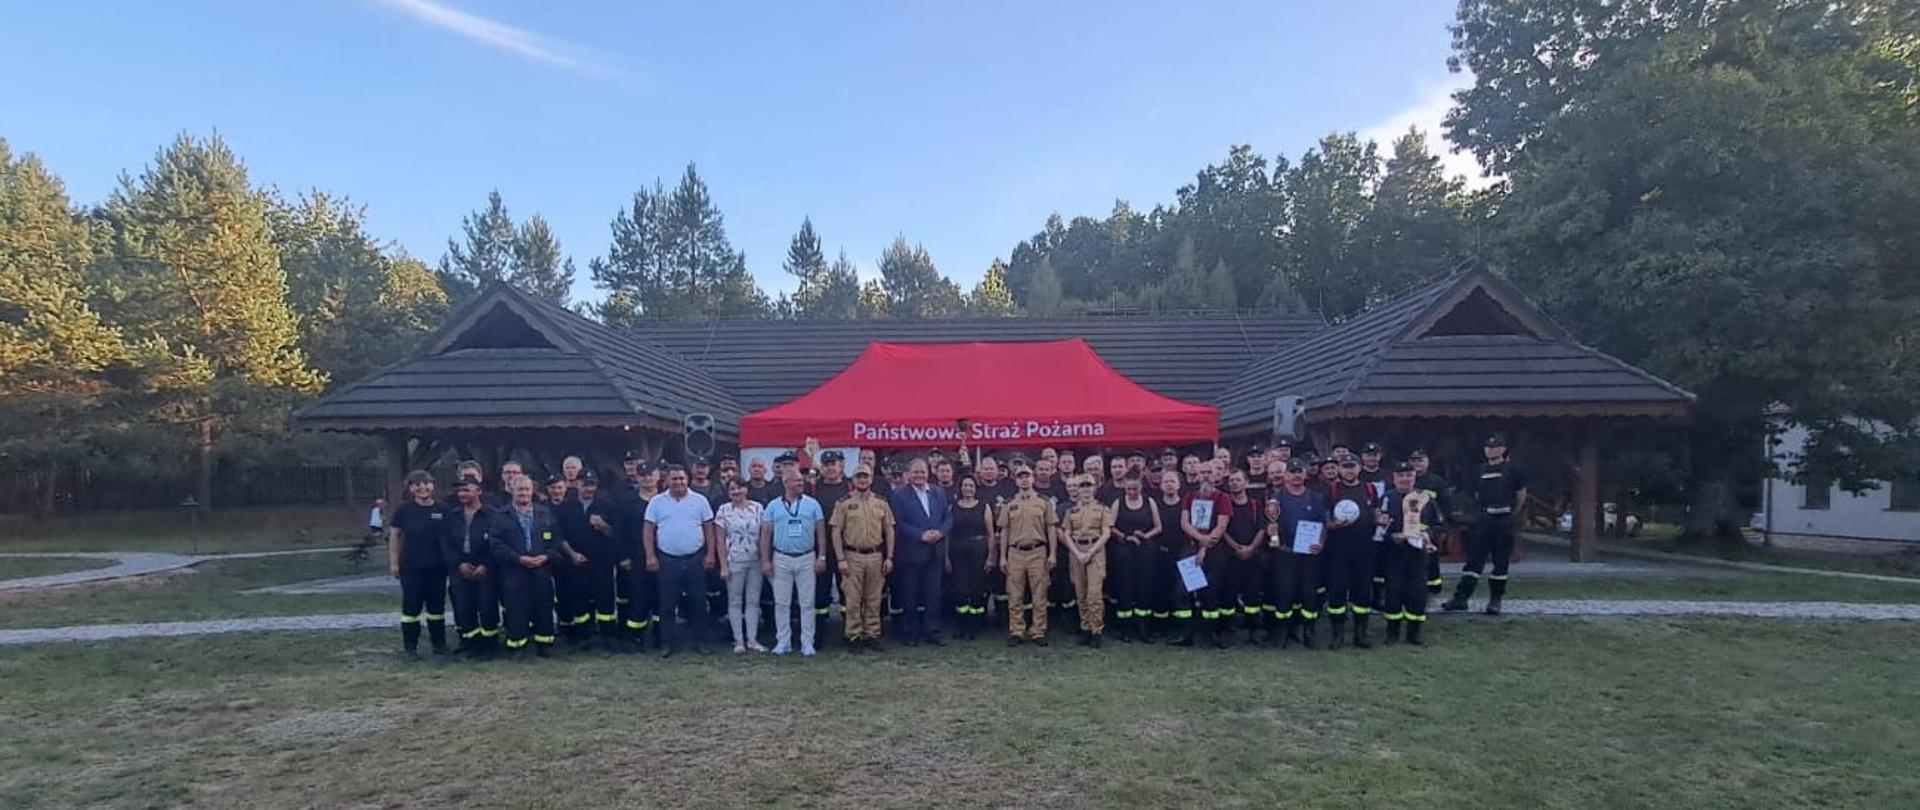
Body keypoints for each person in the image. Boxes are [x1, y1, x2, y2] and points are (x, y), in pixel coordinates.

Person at [1443, 434, 1529, 615]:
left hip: (1503, 520)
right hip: (1483, 520)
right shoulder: (1479, 470)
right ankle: (1461, 599)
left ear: (1503, 449)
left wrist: (1513, 513)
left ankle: (1495, 601)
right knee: (1473, 562)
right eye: (1488, 447)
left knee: (1500, 563)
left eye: (1495, 447)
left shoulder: (1514, 469)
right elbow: (1472, 495)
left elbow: (1521, 494)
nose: (1491, 450)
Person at [643, 465, 717, 658]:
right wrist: (650, 556)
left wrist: (710, 554)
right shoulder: (656, 502)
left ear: (688, 479)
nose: (678, 482)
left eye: (681, 479)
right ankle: (667, 644)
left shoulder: (700, 501)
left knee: (698, 603)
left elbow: (709, 528)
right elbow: (648, 530)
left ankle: (701, 642)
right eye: (674, 479)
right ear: (666, 480)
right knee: (667, 605)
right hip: (667, 561)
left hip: (695, 559)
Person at [760, 470, 827, 656]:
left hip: (806, 557)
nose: (801, 483)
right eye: (796, 481)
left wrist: (822, 556)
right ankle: (783, 641)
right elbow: (765, 534)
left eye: (801, 480)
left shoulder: (812, 504)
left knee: (807, 603)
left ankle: (807, 642)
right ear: (786, 482)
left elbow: (820, 532)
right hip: (781, 557)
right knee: (782, 602)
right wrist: (765, 560)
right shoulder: (773, 506)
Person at [830, 465, 896, 651]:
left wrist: (889, 556)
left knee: (874, 599)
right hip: (853, 556)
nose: (862, 480)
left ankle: (871, 634)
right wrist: (840, 558)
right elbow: (836, 532)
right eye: (859, 477)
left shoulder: (881, 503)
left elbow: (889, 530)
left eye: (865, 477)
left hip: (876, 556)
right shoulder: (843, 503)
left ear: (871, 479)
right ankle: (853, 635)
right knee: (853, 600)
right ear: (853, 480)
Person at [494, 476, 560, 658]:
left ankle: (545, 644)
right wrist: (518, 558)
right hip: (514, 570)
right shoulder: (501, 515)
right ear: (511, 491)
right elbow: (496, 543)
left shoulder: (545, 513)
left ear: (533, 491)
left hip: (541, 569)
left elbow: (556, 539)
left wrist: (546, 556)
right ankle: (517, 646)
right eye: (519, 489)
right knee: (516, 609)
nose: (523, 493)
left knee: (544, 607)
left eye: (526, 489)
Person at [889, 458, 951, 647]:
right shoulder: (899, 495)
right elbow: (899, 522)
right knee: (910, 595)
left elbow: (947, 517)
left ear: (928, 472)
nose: (919, 475)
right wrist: (921, 535)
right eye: (915, 472)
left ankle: (932, 631)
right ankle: (910, 633)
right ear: (909, 474)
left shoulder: (938, 492)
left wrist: (940, 531)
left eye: (922, 472)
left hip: (934, 553)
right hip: (911, 553)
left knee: (933, 595)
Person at [1266, 459, 1328, 649]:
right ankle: (1282, 632)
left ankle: (1309, 631)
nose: (1296, 475)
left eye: (1299, 471)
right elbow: (1269, 523)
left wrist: (1321, 543)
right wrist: (1272, 533)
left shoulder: (1315, 498)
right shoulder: (1276, 498)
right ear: (1286, 475)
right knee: (1284, 593)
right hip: (1284, 553)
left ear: (1305, 474)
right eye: (1292, 472)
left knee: (1308, 593)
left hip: (1309, 554)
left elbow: (1323, 524)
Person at [388, 470, 450, 658]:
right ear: (411, 488)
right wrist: (393, 563)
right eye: (417, 484)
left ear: (433, 485)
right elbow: (394, 536)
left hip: (438, 568)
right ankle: (410, 648)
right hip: (411, 568)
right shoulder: (403, 511)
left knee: (436, 609)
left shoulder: (443, 509)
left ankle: (439, 646)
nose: (422, 488)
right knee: (411, 609)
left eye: (426, 483)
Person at [559, 472, 623, 651]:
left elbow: (616, 534)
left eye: (592, 484)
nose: (588, 488)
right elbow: (559, 535)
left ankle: (608, 636)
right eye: (584, 484)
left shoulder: (608, 506)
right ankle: (582, 637)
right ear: (576, 484)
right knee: (579, 600)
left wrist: (603, 526)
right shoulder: (566, 507)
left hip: (601, 562)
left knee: (605, 599)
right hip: (575, 561)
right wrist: (572, 554)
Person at [1322, 456, 1381, 650]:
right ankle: (1337, 635)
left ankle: (1360, 634)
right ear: (1339, 469)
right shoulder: (1332, 490)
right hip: (1338, 550)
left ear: (1360, 468)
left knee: (1362, 593)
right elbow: (1326, 520)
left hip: (1364, 549)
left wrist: (1380, 520)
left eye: (1352, 467)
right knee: (1337, 592)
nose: (1349, 470)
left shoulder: (1370, 489)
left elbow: (1377, 514)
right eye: (1345, 467)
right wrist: (1334, 525)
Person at [1382, 461, 1441, 645]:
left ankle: (1414, 634)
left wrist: (1428, 535)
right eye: (1401, 476)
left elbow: (1439, 525)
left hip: (1418, 555)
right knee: (1393, 593)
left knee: (1417, 594)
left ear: (1414, 477)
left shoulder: (1425, 498)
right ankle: (1392, 633)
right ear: (1394, 478)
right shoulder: (1387, 498)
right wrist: (1391, 536)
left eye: (1408, 475)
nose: (1405, 479)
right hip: (1394, 554)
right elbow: (1378, 528)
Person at [997, 466, 1056, 646]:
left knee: (1039, 593)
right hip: (1015, 552)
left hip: (1038, 551)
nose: (1024, 479)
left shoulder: (1044, 502)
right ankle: (1017, 630)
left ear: (1033, 478)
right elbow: (1004, 531)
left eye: (1027, 476)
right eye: (1020, 477)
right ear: (1016, 480)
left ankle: (1038, 630)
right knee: (1014, 594)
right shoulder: (1008, 504)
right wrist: (1002, 557)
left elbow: (1051, 529)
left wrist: (1053, 553)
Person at [1178, 464, 1233, 648]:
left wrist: (1205, 546)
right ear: (1197, 475)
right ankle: (1187, 633)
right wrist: (1200, 540)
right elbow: (1185, 523)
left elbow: (1221, 525)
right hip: (1192, 546)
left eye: (1210, 472)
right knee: (1185, 591)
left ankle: (1211, 634)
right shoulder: (1189, 496)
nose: (1206, 476)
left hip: (1215, 550)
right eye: (1203, 473)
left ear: (1217, 474)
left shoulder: (1223, 497)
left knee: (1212, 592)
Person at [447, 478, 503, 658]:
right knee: (465, 608)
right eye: (460, 491)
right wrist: (459, 564)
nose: (462, 494)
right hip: (460, 570)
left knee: (487, 608)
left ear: (478, 491)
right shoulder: (453, 516)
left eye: (466, 490)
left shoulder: (493, 515)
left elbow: (497, 543)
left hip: (485, 570)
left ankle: (490, 645)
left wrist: (485, 565)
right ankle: (472, 645)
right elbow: (446, 544)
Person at [1061, 475, 1115, 648]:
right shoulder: (1072, 511)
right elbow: (1066, 534)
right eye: (1082, 486)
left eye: (1088, 486)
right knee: (1080, 593)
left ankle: (1096, 630)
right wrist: (1076, 552)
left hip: (1095, 552)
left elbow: (1106, 532)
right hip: (1076, 552)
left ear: (1094, 488)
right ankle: (1085, 628)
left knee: (1094, 594)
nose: (1085, 489)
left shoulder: (1102, 509)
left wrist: (1091, 551)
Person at [1108, 473, 1162, 644]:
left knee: (1144, 586)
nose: (1132, 492)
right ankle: (1125, 627)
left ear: (1141, 486)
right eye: (1128, 489)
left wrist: (1146, 535)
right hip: (1124, 550)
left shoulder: (1149, 502)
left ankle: (1142, 625)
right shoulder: (1118, 502)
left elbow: (1158, 526)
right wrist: (1125, 536)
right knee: (1125, 586)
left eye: (1135, 489)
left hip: (1146, 550)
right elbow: (1110, 526)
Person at [715, 479, 767, 653]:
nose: (736, 491)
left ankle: (752, 639)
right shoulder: (723, 510)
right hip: (734, 561)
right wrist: (723, 566)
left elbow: (763, 535)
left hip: (755, 561)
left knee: (753, 601)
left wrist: (765, 559)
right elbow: (720, 541)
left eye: (739, 488)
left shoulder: (758, 508)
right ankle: (738, 641)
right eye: (732, 489)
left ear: (746, 489)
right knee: (735, 601)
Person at [1221, 470, 1268, 646]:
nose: (1234, 483)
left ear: (1246, 483)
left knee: (1252, 595)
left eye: (1238, 480)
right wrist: (1236, 548)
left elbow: (1262, 529)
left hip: (1252, 556)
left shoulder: (1256, 505)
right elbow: (1222, 529)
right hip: (1231, 556)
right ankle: (1228, 629)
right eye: (1231, 481)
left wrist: (1251, 548)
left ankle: (1254, 629)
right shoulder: (1224, 504)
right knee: (1229, 593)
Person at [811, 450, 853, 638]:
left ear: (841, 465)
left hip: (846, 549)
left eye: (833, 464)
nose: (829, 468)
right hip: (821, 548)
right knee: (820, 591)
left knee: (848, 592)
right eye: (826, 464)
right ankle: (819, 633)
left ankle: (849, 632)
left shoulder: (850, 488)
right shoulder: (813, 489)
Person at [947, 476, 994, 640]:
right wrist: (946, 557)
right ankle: (961, 625)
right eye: (965, 485)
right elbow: (947, 533)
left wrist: (991, 557)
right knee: (959, 589)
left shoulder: (984, 506)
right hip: (958, 551)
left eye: (971, 485)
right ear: (960, 488)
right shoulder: (952, 507)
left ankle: (975, 626)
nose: (968, 488)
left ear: (976, 488)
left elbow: (990, 534)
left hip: (978, 550)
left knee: (976, 588)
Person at [1410, 449, 1453, 596]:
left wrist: (1442, 527)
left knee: (1431, 561)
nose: (1417, 464)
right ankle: (1417, 591)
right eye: (1414, 461)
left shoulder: (1437, 482)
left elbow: (1446, 506)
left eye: (1420, 460)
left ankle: (1433, 589)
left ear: (1427, 462)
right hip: (1410, 528)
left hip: (1431, 528)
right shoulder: (1407, 479)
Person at [1151, 469, 1187, 641]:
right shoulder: (1155, 505)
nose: (1169, 484)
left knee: (1183, 592)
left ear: (1179, 485)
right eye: (1166, 482)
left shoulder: (1187, 504)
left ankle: (1183, 629)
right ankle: (1159, 627)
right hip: (1161, 553)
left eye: (1173, 481)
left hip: (1184, 554)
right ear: (1161, 485)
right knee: (1160, 590)